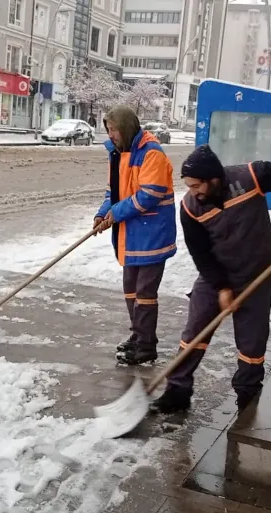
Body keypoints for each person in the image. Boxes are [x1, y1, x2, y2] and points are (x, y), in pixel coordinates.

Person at [150, 144, 271, 414]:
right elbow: (201, 253)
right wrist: (221, 287)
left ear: (214, 179)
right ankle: (177, 390)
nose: (193, 191)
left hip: (258, 272)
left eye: (197, 185)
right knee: (195, 332)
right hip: (217, 274)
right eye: (188, 185)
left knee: (252, 343)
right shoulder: (189, 208)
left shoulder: (249, 178)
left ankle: (247, 395)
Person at [92, 105, 177, 366]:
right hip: (130, 235)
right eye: (108, 130)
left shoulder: (151, 153)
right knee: (130, 290)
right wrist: (102, 214)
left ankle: (146, 346)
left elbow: (149, 195)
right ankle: (138, 335)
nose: (111, 135)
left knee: (144, 293)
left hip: (152, 235)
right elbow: (113, 191)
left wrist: (116, 213)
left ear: (127, 128)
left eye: (115, 129)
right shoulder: (118, 154)